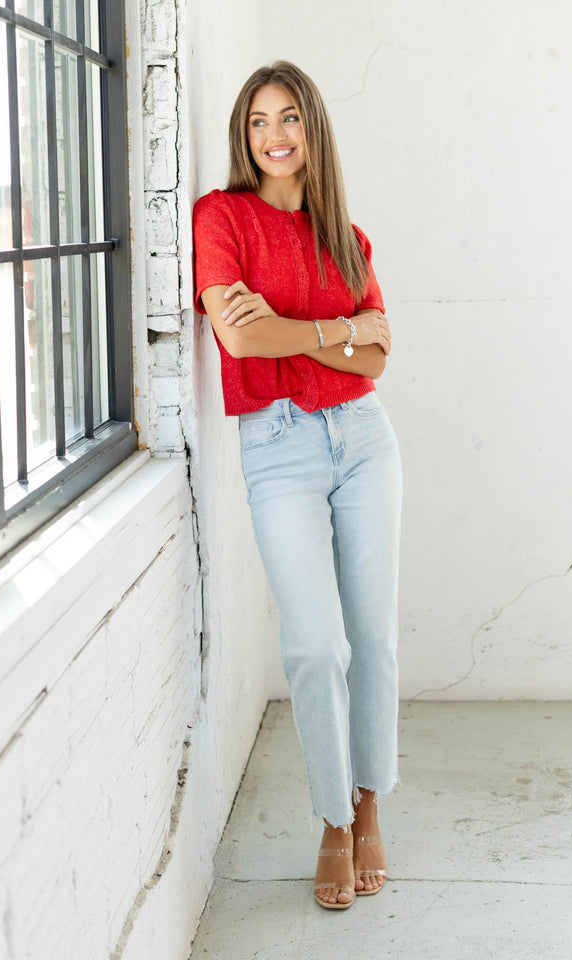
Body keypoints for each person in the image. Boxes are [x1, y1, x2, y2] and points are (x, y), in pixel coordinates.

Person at [192, 60, 402, 911]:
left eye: (290, 119)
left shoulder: (346, 237)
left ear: (312, 130)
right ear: (245, 137)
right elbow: (240, 344)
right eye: (258, 122)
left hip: (365, 440)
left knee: (374, 642)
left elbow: (380, 357)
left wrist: (303, 332)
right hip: (276, 445)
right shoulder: (222, 217)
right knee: (318, 647)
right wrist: (338, 328)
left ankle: (369, 801)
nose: (275, 136)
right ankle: (330, 817)